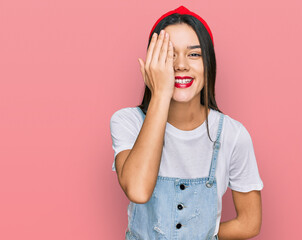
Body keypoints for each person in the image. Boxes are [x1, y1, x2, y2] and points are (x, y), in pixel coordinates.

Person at [110, 5, 264, 240]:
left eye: (194, 54)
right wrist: (160, 94)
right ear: (153, 64)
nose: (180, 65)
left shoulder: (232, 134)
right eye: (169, 55)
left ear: (209, 63)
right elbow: (138, 190)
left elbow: (249, 223)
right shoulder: (127, 122)